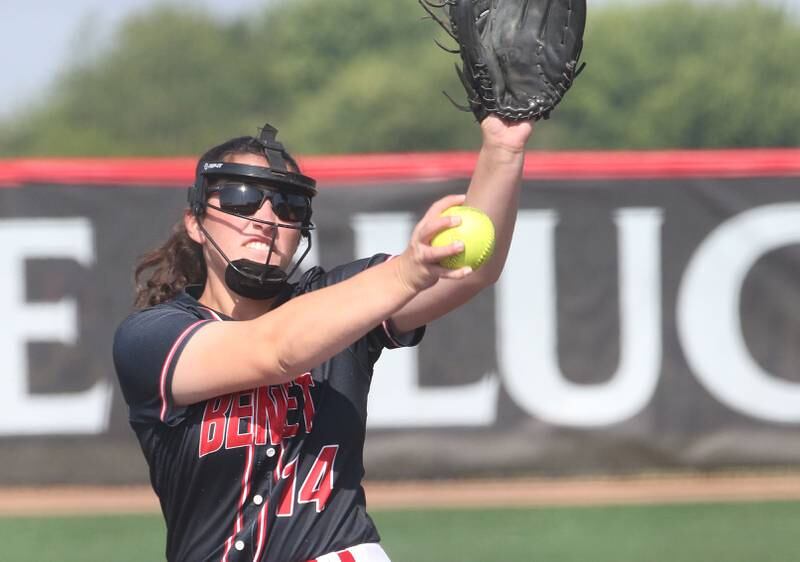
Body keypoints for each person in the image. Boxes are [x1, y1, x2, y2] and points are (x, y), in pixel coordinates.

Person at [113, 116, 532, 562]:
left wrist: (502, 151)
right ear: (196, 223)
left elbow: (472, 271)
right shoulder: (150, 338)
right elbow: (273, 351)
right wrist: (407, 271)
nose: (266, 218)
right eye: (242, 198)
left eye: (289, 206)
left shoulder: (341, 302)